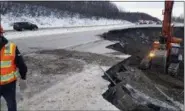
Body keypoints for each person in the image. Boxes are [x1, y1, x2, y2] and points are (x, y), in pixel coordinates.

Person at [0, 25, 28, 111]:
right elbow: (22, 66)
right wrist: (23, 79)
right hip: (9, 84)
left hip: (9, 84)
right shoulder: (12, 47)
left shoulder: (12, 47)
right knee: (11, 105)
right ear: (1, 33)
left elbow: (22, 66)